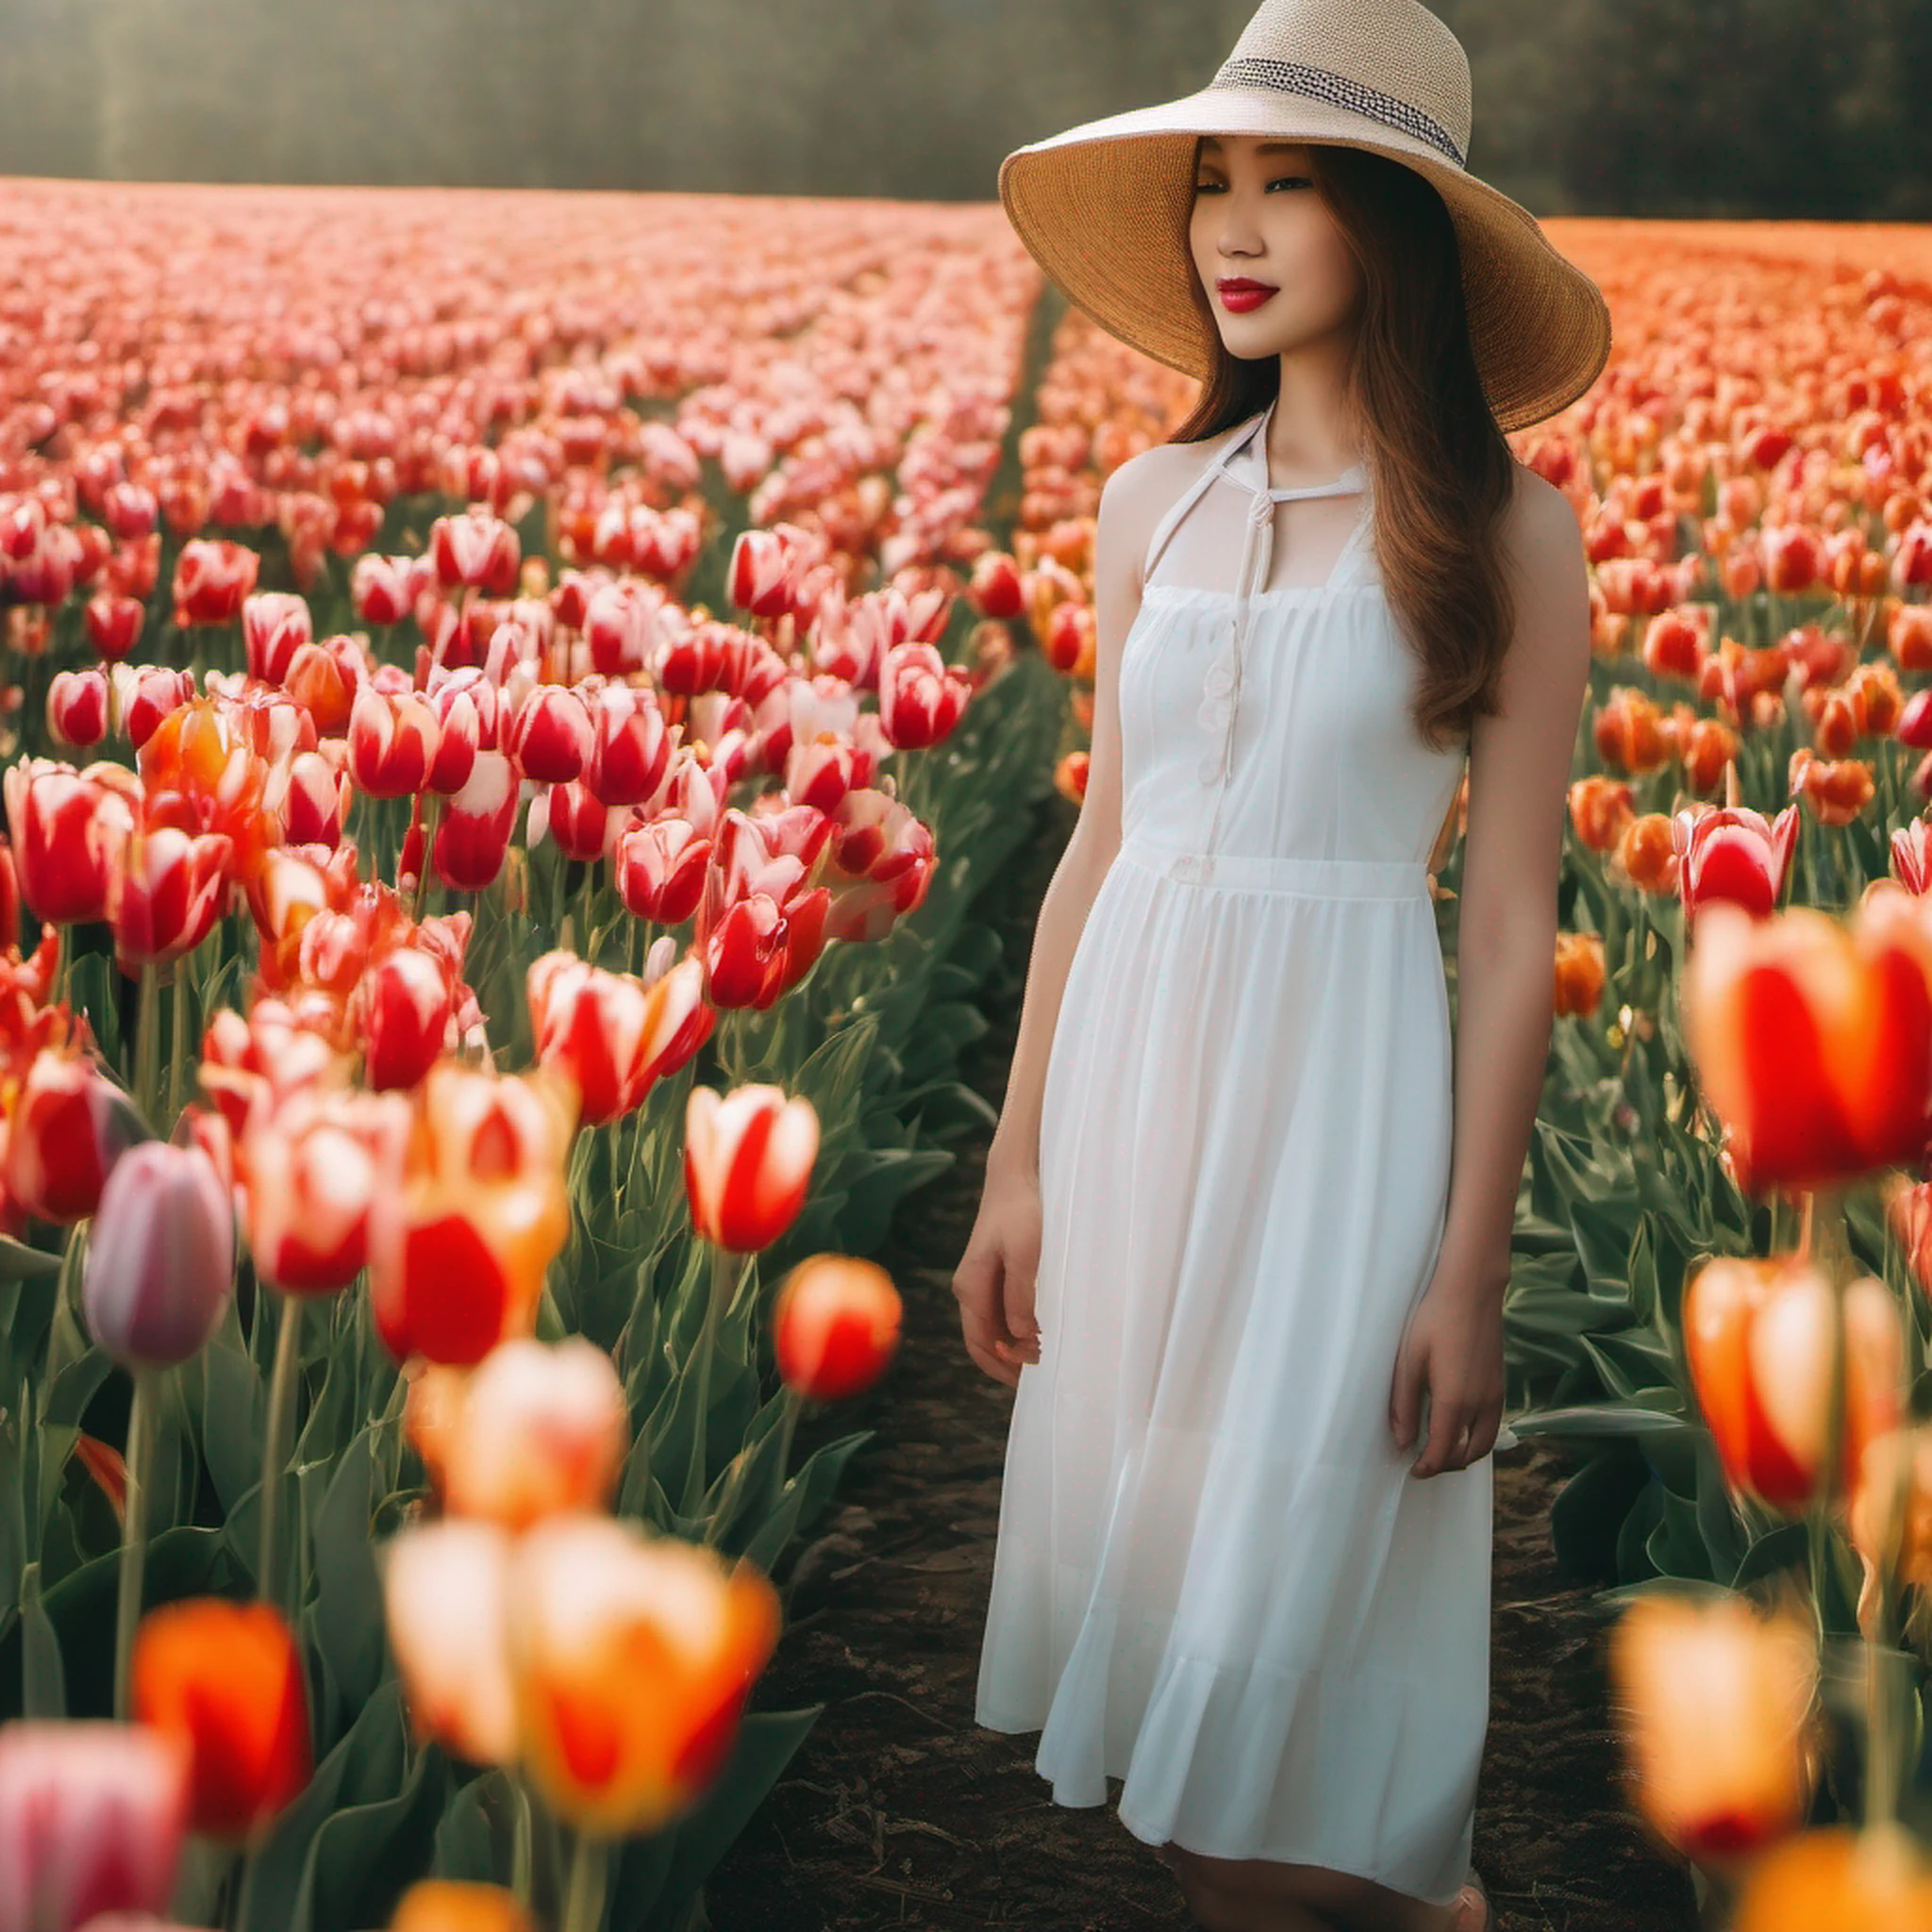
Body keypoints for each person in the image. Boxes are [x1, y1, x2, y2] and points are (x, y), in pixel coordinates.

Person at [954, 3, 1612, 1929]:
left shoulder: (1503, 535)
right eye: (1212, 187)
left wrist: (1466, 1269)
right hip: (1131, 1096)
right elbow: (1100, 843)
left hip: (1339, 1110)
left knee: (1264, 1710)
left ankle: (1420, 1899)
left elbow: (1505, 927)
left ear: (1393, 228)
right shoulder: (1147, 505)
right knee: (1163, 1673)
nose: (1230, 230)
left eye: (1289, 185)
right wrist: (1015, 1163)